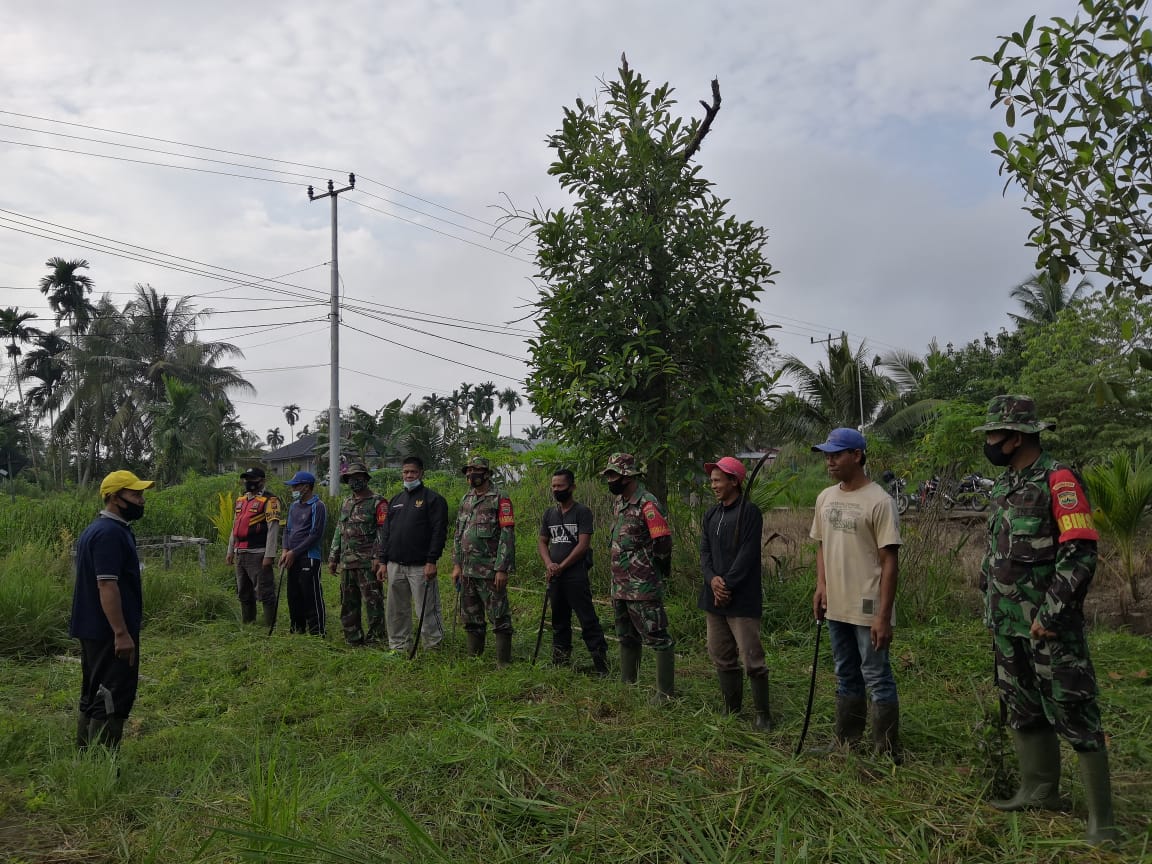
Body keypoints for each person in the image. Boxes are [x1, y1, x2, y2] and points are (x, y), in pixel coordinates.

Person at [974, 395, 1115, 845]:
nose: (990, 444)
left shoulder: (1059, 480)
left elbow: (1080, 553)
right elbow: (998, 550)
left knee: (1074, 709)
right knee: (1022, 705)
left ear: (1016, 438)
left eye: (994, 435)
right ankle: (1039, 790)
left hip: (1048, 626)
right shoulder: (1005, 485)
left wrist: (1052, 613)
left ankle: (1103, 823)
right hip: (1007, 622)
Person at [810, 428, 903, 759]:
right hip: (836, 604)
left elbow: (888, 562)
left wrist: (883, 615)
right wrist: (822, 586)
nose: (830, 460)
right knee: (845, 674)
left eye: (837, 453)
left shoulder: (880, 501)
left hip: (868, 607)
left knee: (876, 676)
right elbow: (822, 546)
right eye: (827, 454)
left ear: (858, 456)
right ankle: (846, 743)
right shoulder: (825, 498)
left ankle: (886, 751)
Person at [70, 470, 154, 750]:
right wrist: (121, 632)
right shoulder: (109, 534)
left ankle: (86, 755)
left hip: (94, 627)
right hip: (108, 631)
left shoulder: (101, 529)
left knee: (94, 690)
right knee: (113, 692)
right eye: (135, 494)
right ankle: (103, 762)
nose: (141, 500)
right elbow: (107, 585)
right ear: (115, 498)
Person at [699, 456, 771, 730]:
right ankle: (732, 709)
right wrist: (712, 580)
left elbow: (747, 555)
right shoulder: (711, 514)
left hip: (741, 598)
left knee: (751, 655)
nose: (713, 485)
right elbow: (704, 552)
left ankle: (763, 715)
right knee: (720, 652)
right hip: (713, 596)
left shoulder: (750, 513)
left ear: (734, 481)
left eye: (718, 480)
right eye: (712, 480)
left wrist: (726, 585)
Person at [601, 453, 675, 701]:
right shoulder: (620, 504)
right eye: (609, 475)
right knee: (626, 636)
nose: (609, 480)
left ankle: (664, 693)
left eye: (613, 475)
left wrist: (653, 569)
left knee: (657, 636)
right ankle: (628, 685)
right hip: (620, 585)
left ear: (628, 476)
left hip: (642, 585)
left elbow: (662, 541)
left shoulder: (647, 503)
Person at [536, 468, 609, 676]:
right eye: (554, 486)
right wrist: (549, 563)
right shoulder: (549, 514)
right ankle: (560, 662)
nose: (556, 490)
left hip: (575, 575)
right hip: (555, 577)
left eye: (560, 486)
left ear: (572, 487)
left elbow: (583, 545)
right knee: (559, 620)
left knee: (587, 618)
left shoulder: (582, 512)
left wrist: (563, 565)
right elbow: (542, 541)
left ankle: (601, 664)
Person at [375, 455, 449, 654]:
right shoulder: (396, 501)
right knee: (396, 610)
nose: (409, 475)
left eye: (413, 472)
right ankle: (399, 647)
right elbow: (387, 533)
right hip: (395, 565)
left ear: (421, 473)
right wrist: (383, 562)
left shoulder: (433, 500)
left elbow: (438, 533)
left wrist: (431, 560)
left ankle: (434, 647)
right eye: (406, 472)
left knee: (426, 609)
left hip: (421, 566)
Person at [451, 455, 516, 664]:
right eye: (468, 471)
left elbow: (507, 535)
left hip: (489, 571)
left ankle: (503, 664)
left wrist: (502, 568)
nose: (471, 474)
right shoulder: (466, 499)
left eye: (476, 470)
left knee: (499, 616)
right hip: (467, 571)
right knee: (471, 617)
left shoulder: (500, 499)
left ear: (487, 473)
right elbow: (458, 533)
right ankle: (474, 660)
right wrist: (456, 565)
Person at [328, 461, 388, 646]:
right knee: (348, 603)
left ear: (366, 479)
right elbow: (340, 529)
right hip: (347, 563)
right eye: (351, 479)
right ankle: (352, 638)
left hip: (367, 564)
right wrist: (333, 557)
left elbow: (383, 532)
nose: (355, 482)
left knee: (373, 603)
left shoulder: (378, 502)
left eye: (358, 478)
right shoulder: (347, 502)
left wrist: (378, 558)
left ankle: (376, 639)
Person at [225, 466, 281, 627]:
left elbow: (273, 528)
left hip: (258, 553)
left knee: (264, 590)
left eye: (253, 480)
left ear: (262, 481)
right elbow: (235, 526)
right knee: (244, 591)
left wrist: (269, 555)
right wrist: (230, 550)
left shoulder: (270, 500)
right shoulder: (241, 500)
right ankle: (248, 624)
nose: (249, 483)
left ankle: (270, 625)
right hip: (240, 552)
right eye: (246, 479)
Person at [278, 470, 327, 636]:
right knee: (293, 594)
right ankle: (297, 629)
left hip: (309, 557)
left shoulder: (317, 506)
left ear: (306, 487)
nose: (293, 489)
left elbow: (315, 534)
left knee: (311, 595)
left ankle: (317, 631)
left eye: (296, 486)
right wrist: (285, 550)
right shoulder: (294, 506)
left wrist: (294, 552)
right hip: (292, 556)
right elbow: (287, 530)